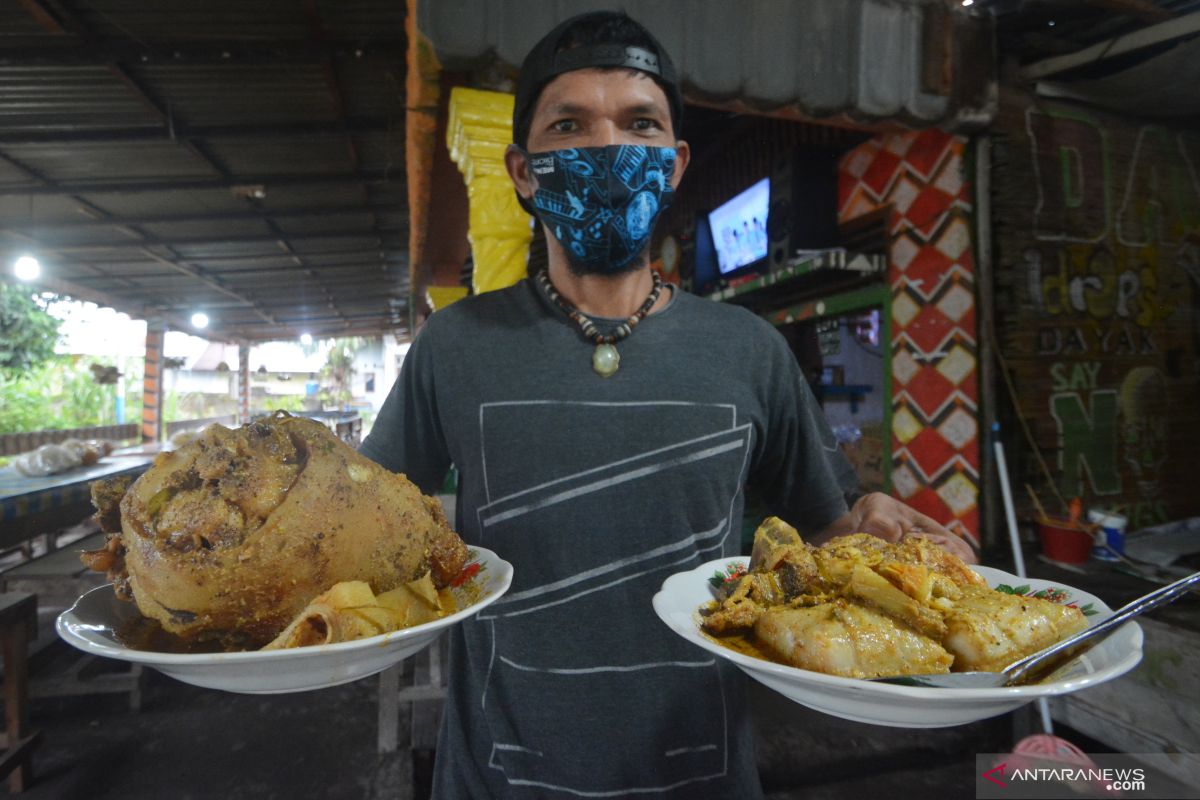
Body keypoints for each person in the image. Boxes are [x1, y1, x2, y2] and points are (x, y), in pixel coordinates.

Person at [360, 10, 976, 798]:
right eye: (570, 124)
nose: (609, 147)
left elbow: (827, 535)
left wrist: (879, 534)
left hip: (704, 776)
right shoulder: (455, 345)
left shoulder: (748, 349)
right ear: (523, 170)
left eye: (639, 123)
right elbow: (369, 527)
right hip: (498, 779)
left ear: (676, 162)